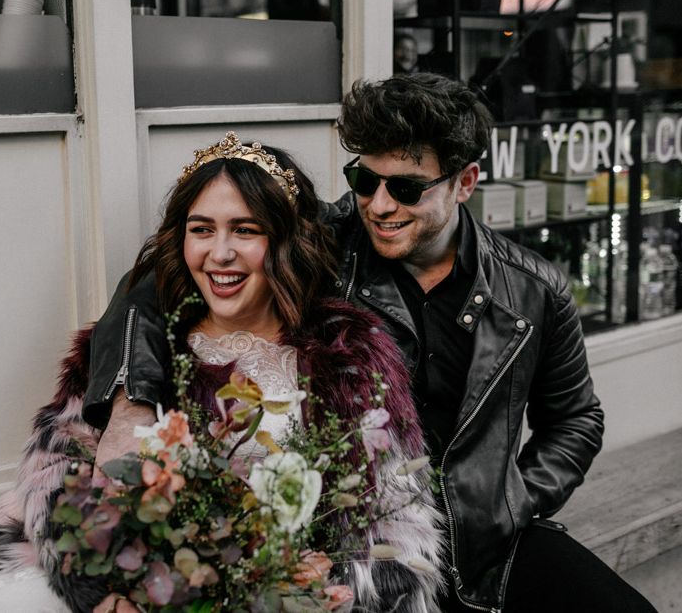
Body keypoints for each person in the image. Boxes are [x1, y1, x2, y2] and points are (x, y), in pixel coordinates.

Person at [79, 74, 659, 613]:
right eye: (364, 179)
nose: (379, 205)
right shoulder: (322, 244)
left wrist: (513, 499)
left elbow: (576, 420)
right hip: (358, 545)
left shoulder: (534, 289)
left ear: (466, 182)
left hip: (486, 545)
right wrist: (130, 399)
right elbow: (159, 280)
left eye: (405, 188)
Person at [0, 133, 444, 613]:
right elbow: (58, 474)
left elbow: (393, 525)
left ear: (286, 241)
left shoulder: (348, 357)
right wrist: (102, 592)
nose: (220, 253)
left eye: (246, 230)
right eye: (202, 229)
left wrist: (306, 592)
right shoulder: (140, 340)